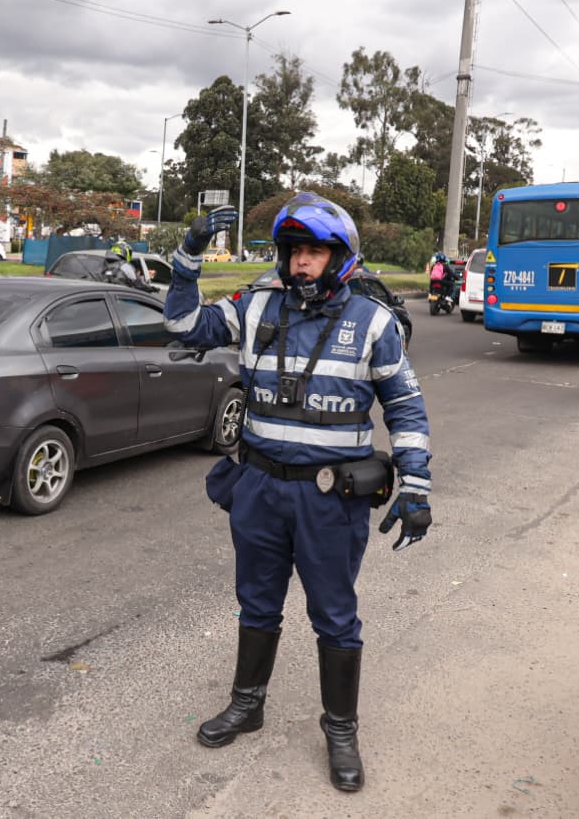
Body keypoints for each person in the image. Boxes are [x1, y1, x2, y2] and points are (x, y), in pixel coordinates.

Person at [164, 194, 433, 793]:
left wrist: (415, 485)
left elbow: (407, 408)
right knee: (256, 603)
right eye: (293, 252)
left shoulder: (374, 322)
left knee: (335, 617)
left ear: (340, 258)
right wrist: (187, 257)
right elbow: (182, 325)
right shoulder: (256, 304)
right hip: (258, 488)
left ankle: (340, 729)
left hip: (329, 500)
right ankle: (247, 703)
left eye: (314, 251)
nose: (301, 263)